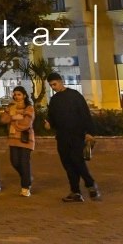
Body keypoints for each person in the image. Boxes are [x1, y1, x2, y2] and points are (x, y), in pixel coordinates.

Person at [45, 72, 98, 202]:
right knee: (68, 164)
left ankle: (90, 184)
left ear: (61, 81)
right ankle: (75, 192)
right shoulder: (54, 100)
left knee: (77, 161)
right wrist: (49, 124)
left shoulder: (75, 96)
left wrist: (89, 132)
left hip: (76, 136)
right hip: (62, 137)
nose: (53, 87)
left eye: (55, 84)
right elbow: (52, 118)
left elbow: (85, 114)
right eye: (51, 85)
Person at [0, 85, 36, 196]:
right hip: (13, 139)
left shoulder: (29, 108)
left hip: (26, 139)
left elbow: (26, 124)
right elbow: (3, 120)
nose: (16, 96)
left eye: (19, 94)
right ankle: (27, 177)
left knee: (24, 163)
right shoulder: (11, 107)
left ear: (24, 95)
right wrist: (16, 117)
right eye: (15, 94)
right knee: (14, 162)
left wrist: (14, 122)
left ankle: (25, 188)